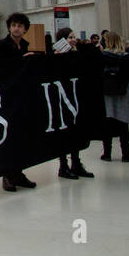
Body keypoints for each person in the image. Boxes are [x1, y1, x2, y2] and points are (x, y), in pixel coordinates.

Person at [0, 12, 37, 192]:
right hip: (6, 95)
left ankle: (18, 172)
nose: (16, 28)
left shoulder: (25, 45)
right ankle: (8, 175)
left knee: (21, 135)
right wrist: (22, 61)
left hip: (21, 95)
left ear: (25, 28)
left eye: (20, 25)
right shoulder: (2, 46)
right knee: (8, 136)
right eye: (13, 25)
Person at [51, 29, 94, 179]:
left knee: (76, 130)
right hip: (62, 99)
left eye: (74, 37)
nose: (73, 40)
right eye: (70, 37)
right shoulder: (56, 56)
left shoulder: (76, 54)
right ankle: (63, 165)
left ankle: (76, 163)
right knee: (64, 132)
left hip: (75, 97)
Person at [99, 31, 129, 162]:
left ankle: (107, 153)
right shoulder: (126, 57)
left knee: (107, 121)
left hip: (107, 93)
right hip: (123, 92)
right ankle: (126, 153)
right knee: (123, 123)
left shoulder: (102, 56)